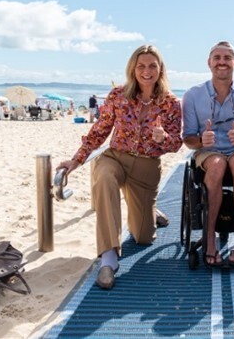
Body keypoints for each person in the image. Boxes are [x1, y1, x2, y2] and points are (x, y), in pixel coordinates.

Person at [56, 45, 182, 289]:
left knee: (143, 237)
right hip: (115, 158)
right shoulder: (117, 95)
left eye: (152, 66)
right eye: (141, 66)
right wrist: (76, 160)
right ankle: (109, 258)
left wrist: (163, 138)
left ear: (160, 69)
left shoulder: (171, 103)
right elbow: (99, 132)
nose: (146, 71)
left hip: (146, 169)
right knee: (104, 179)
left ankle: (150, 212)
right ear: (133, 69)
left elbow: (176, 143)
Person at [181, 41, 234, 267]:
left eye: (227, 58)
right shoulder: (193, 95)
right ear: (209, 63)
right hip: (208, 153)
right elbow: (188, 139)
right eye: (217, 58)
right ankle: (209, 240)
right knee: (216, 164)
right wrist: (201, 140)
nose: (222, 62)